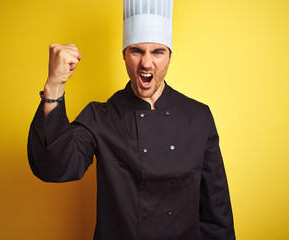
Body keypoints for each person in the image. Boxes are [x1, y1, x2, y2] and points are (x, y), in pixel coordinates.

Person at [27, 0, 235, 239]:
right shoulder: (100, 117)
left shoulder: (199, 117)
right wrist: (54, 85)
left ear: (169, 56)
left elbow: (216, 211)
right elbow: (53, 168)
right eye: (136, 51)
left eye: (158, 52)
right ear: (124, 55)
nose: (146, 63)